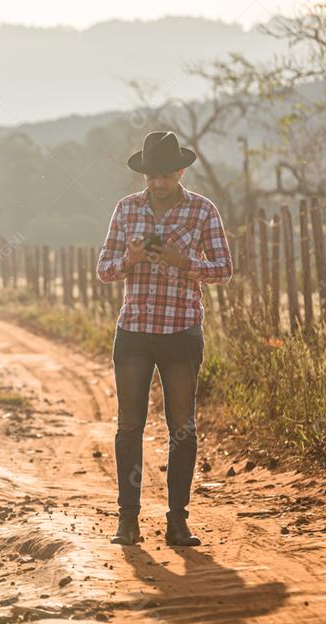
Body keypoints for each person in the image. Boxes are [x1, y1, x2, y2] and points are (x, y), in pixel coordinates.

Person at [96, 130, 233, 546]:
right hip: (135, 329)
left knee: (182, 427)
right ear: (144, 175)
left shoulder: (203, 211)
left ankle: (178, 521)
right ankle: (128, 520)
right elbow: (103, 268)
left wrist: (184, 261)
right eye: (151, 176)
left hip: (181, 332)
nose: (157, 183)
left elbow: (225, 269)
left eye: (165, 175)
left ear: (180, 171)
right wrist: (129, 259)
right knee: (129, 426)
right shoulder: (125, 210)